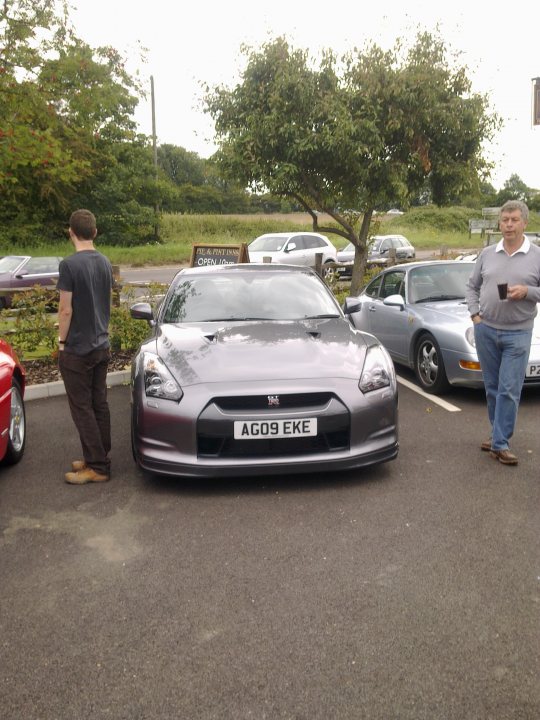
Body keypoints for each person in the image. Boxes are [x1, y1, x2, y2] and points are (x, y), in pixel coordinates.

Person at [466, 199, 540, 465]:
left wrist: (528, 292)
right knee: (493, 388)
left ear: (525, 223)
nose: (509, 225)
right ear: (500, 223)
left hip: (518, 333)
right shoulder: (487, 254)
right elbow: (472, 287)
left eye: (514, 220)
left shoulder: (536, 256)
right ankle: (497, 435)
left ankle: (500, 443)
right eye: (505, 220)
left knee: (509, 389)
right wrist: (475, 315)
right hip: (486, 329)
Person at [57, 209, 113, 484]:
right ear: (94, 232)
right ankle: (98, 456)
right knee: (98, 403)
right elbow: (107, 302)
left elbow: (65, 310)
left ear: (71, 232)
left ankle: (98, 467)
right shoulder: (104, 261)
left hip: (78, 348)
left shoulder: (69, 265)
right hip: (102, 344)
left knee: (82, 407)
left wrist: (61, 343)